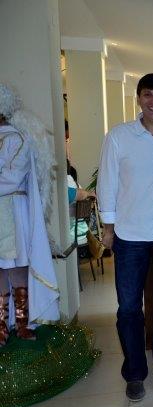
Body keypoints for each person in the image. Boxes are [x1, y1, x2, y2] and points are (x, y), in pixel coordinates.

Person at [97, 73, 153, 402]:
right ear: (139, 99)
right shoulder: (119, 136)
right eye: (148, 94)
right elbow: (107, 182)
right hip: (130, 235)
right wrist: (108, 227)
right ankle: (135, 372)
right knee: (128, 308)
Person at [0, 83, 59, 347]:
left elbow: (12, 177)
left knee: (18, 267)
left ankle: (22, 324)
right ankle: (2, 325)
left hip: (15, 212)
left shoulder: (19, 139)